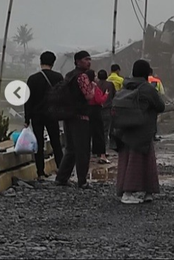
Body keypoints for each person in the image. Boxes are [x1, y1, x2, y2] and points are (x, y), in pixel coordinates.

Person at [114, 59, 165, 204]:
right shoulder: (147, 88)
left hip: (124, 130)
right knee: (143, 162)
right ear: (147, 73)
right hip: (142, 130)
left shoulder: (125, 86)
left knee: (126, 161)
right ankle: (131, 194)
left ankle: (129, 191)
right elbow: (160, 106)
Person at [55, 51, 94, 189]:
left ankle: (61, 178)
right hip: (81, 117)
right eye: (85, 59)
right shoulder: (82, 76)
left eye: (89, 59)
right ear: (77, 61)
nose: (89, 62)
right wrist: (93, 86)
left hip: (68, 116)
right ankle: (82, 181)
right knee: (82, 149)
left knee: (70, 149)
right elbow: (89, 96)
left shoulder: (69, 75)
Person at [24, 51, 64, 180]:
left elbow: (28, 100)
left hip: (37, 116)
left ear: (40, 61)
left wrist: (26, 119)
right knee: (56, 143)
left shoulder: (32, 78)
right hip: (52, 115)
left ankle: (40, 173)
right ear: (53, 62)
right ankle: (62, 171)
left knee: (39, 144)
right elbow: (62, 97)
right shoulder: (58, 77)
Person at [86, 70, 110, 164]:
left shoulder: (84, 87)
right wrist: (106, 95)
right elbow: (99, 100)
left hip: (86, 110)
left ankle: (89, 153)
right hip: (96, 111)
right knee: (99, 133)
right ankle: (102, 155)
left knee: (88, 133)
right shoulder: (93, 86)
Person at [97, 69, 115, 149]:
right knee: (106, 130)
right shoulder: (110, 84)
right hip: (107, 109)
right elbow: (114, 95)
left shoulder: (95, 84)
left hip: (97, 109)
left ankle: (97, 148)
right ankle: (104, 149)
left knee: (97, 130)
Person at [148, 68, 164, 141]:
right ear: (152, 73)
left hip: (143, 103)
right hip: (154, 103)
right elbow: (162, 93)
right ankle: (153, 136)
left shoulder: (142, 81)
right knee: (153, 120)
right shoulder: (157, 81)